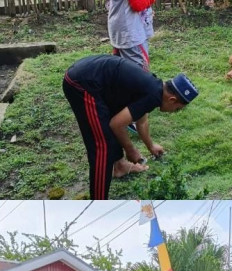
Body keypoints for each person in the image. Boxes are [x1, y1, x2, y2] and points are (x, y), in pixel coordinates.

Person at [63, 54, 199, 200]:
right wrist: (131, 150)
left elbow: (141, 120)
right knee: (102, 146)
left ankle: (120, 166)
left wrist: (151, 146)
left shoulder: (154, 87)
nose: (174, 112)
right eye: (177, 109)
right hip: (81, 84)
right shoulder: (153, 95)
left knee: (108, 123)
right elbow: (117, 124)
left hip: (93, 79)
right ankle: (98, 202)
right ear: (172, 100)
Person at [108, 0, 155, 72]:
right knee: (138, 73)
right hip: (130, 31)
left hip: (123, 26)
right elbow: (138, 5)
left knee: (122, 70)